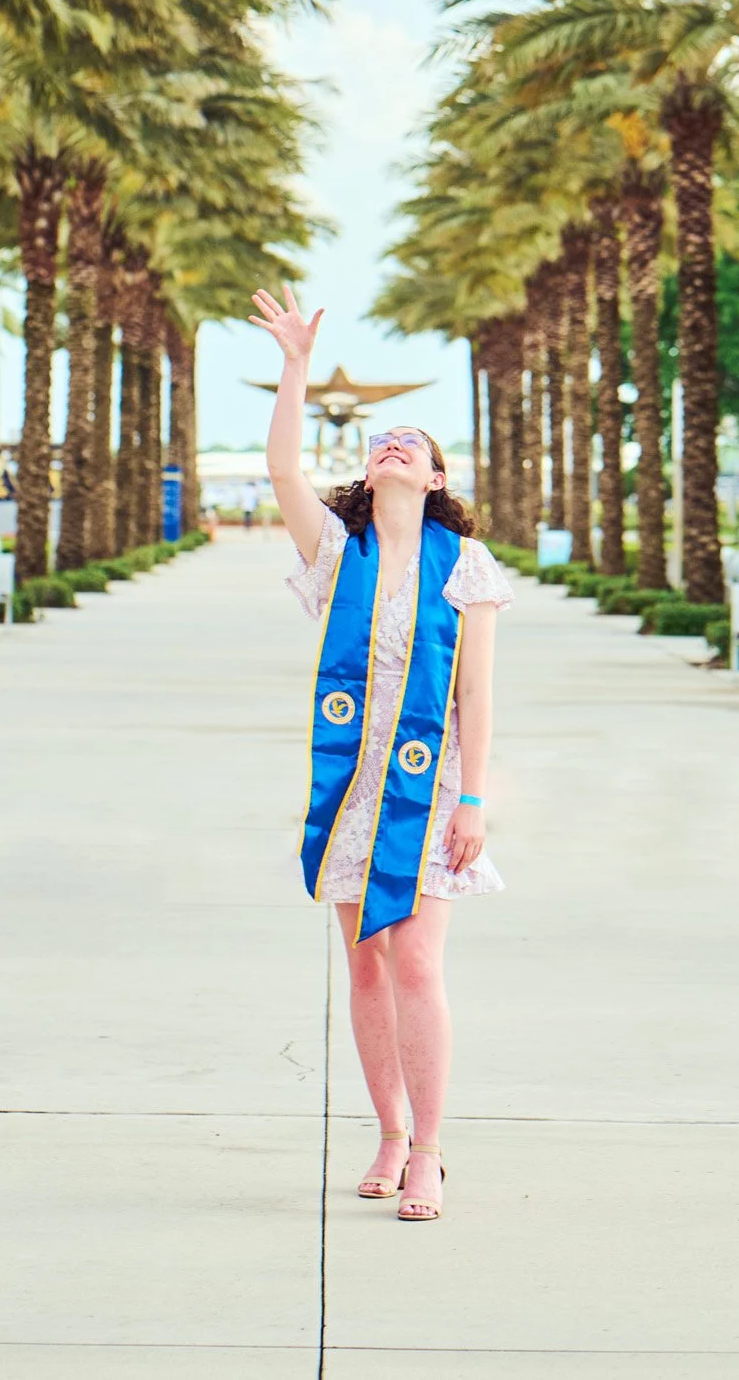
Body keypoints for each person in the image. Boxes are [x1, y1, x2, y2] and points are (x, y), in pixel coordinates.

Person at [250, 284, 511, 1223]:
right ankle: (389, 1132)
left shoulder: (466, 568)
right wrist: (293, 366)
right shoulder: (337, 553)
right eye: (379, 441)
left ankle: (432, 1150)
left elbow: (476, 695)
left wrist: (474, 801)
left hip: (431, 791)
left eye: (413, 444)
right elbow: (283, 470)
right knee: (364, 963)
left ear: (435, 478)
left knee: (414, 964)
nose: (391, 444)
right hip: (354, 791)